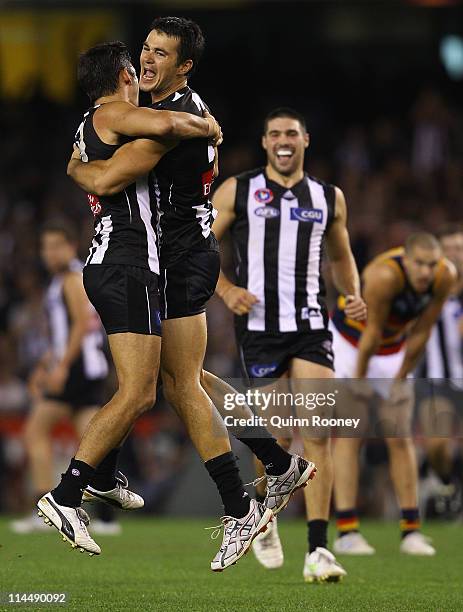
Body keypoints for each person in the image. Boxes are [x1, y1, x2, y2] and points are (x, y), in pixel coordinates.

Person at [57, 20, 315, 571]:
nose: (148, 60)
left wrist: (78, 165)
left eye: (160, 54)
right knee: (185, 379)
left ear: (184, 66)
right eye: (145, 49)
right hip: (179, 254)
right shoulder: (168, 112)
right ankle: (275, 461)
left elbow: (106, 180)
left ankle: (237, 505)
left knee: (172, 384)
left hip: (180, 257)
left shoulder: (171, 122)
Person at [211, 107, 367, 582]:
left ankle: (319, 548)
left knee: (318, 430)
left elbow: (341, 254)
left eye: (291, 134)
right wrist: (225, 289)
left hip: (311, 324)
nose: (284, 140)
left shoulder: (327, 197)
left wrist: (353, 294)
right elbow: (199, 248)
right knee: (276, 438)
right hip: (258, 328)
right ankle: (264, 514)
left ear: (305, 140)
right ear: (264, 143)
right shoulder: (237, 190)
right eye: (275, 133)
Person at [330, 232, 456, 556]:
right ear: (405, 259)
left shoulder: (445, 276)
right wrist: (358, 377)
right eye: (419, 264)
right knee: (350, 433)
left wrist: (400, 379)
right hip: (350, 344)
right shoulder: (384, 276)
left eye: (432, 264)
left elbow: (424, 329)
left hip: (392, 348)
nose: (426, 272)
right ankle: (347, 531)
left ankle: (411, 531)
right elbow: (370, 334)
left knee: (399, 436)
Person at [11, 220, 119, 534]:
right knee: (92, 440)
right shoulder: (64, 279)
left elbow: (81, 326)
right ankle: (106, 516)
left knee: (35, 432)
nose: (49, 253)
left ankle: (46, 507)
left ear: (71, 246)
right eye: (45, 247)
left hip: (77, 367)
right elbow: (63, 333)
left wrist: (61, 366)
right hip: (87, 366)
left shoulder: (72, 278)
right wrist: (45, 364)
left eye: (56, 245)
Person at [416, 225, 463, 519]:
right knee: (436, 446)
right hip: (437, 381)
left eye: (460, 248)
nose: (455, 254)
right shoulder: (423, 293)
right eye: (449, 249)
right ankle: (446, 485)